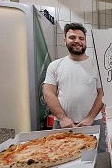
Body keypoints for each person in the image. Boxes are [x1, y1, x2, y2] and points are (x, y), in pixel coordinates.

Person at [43, 22, 105, 152]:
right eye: (72, 37)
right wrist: (63, 118)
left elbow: (102, 93)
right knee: (59, 158)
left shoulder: (97, 65)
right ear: (65, 40)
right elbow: (48, 93)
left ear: (85, 41)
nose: (77, 41)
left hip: (93, 122)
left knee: (97, 163)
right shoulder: (55, 65)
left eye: (81, 38)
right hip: (62, 124)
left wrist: (90, 118)